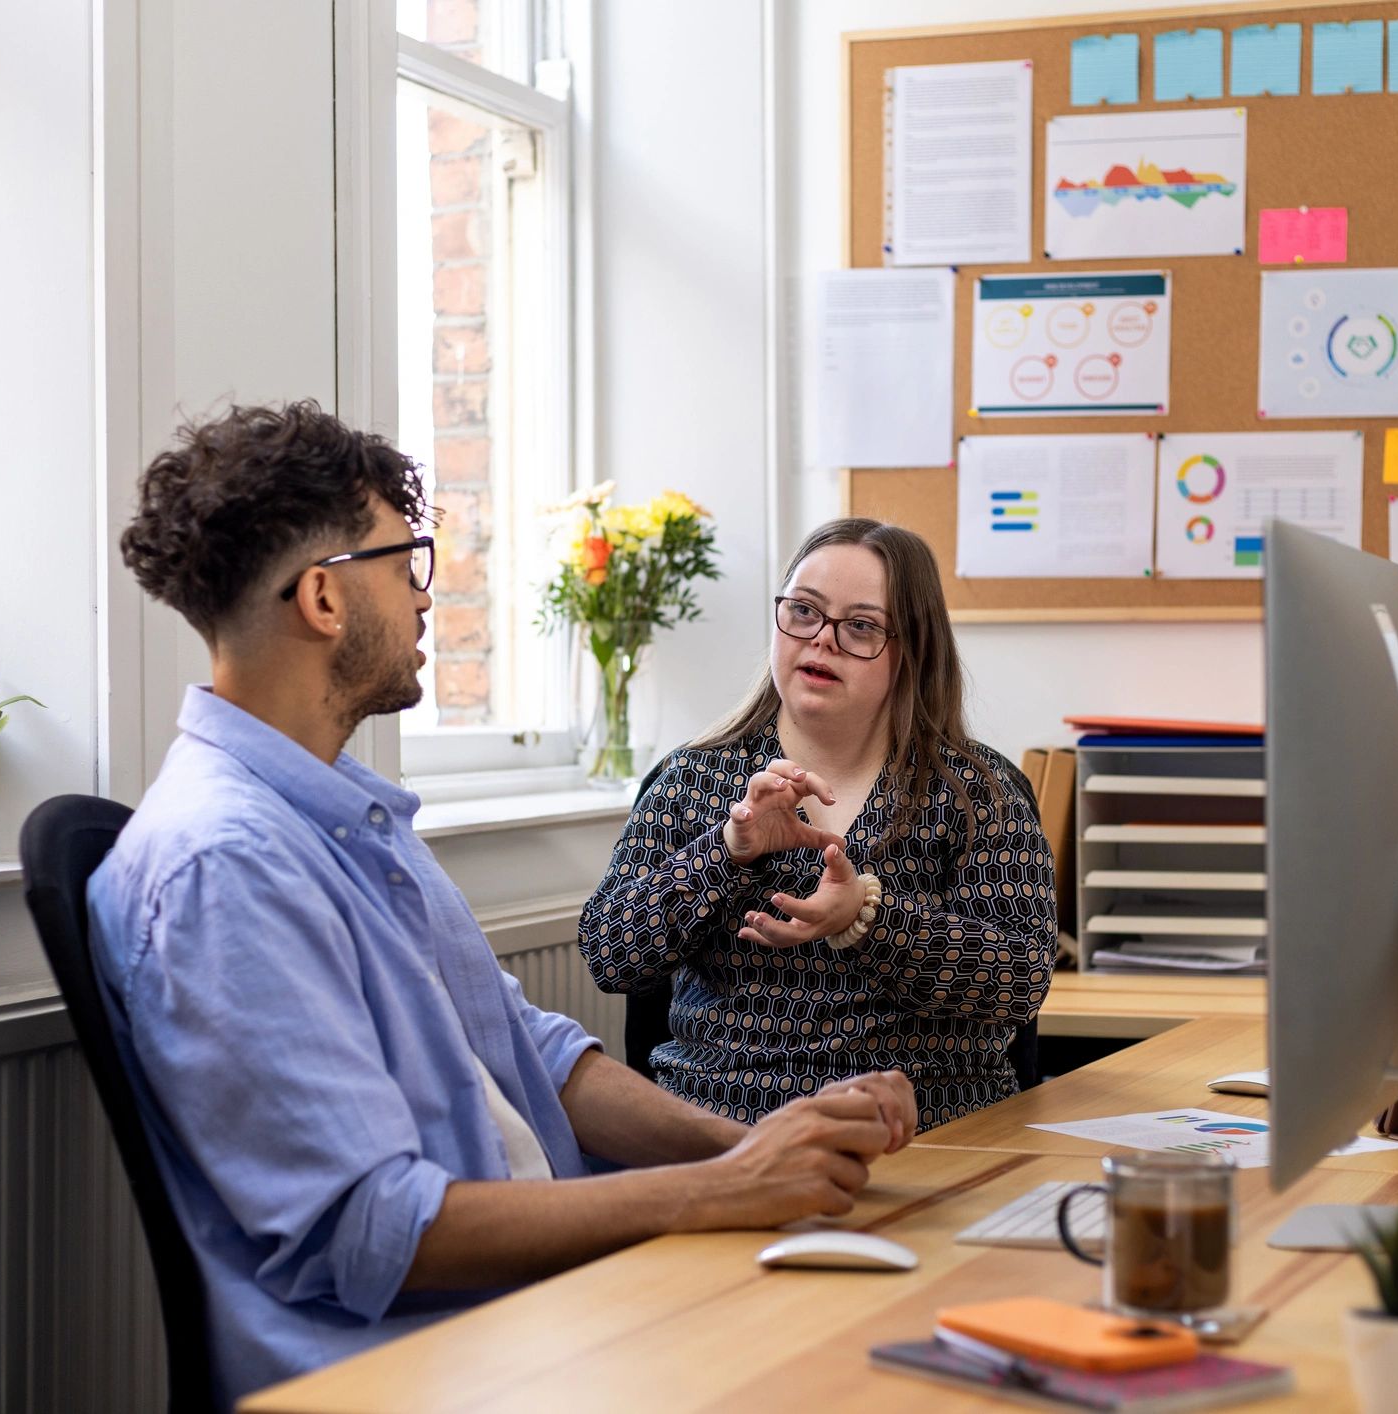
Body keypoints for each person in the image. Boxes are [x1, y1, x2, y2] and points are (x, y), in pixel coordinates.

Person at [89, 403, 917, 1407]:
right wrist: (725, 1190)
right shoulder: (224, 867)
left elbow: (530, 1056)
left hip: (544, 1316)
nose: (427, 600)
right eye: (407, 564)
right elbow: (373, 1233)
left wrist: (756, 1143)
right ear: (322, 596)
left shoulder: (346, 818)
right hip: (427, 1367)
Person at [579, 518, 1056, 1131]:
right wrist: (726, 853)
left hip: (929, 1139)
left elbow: (1018, 982)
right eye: (803, 611)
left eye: (860, 626)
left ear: (911, 650)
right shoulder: (690, 779)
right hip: (728, 1137)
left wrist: (866, 917)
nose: (821, 640)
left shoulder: (978, 793)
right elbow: (609, 955)